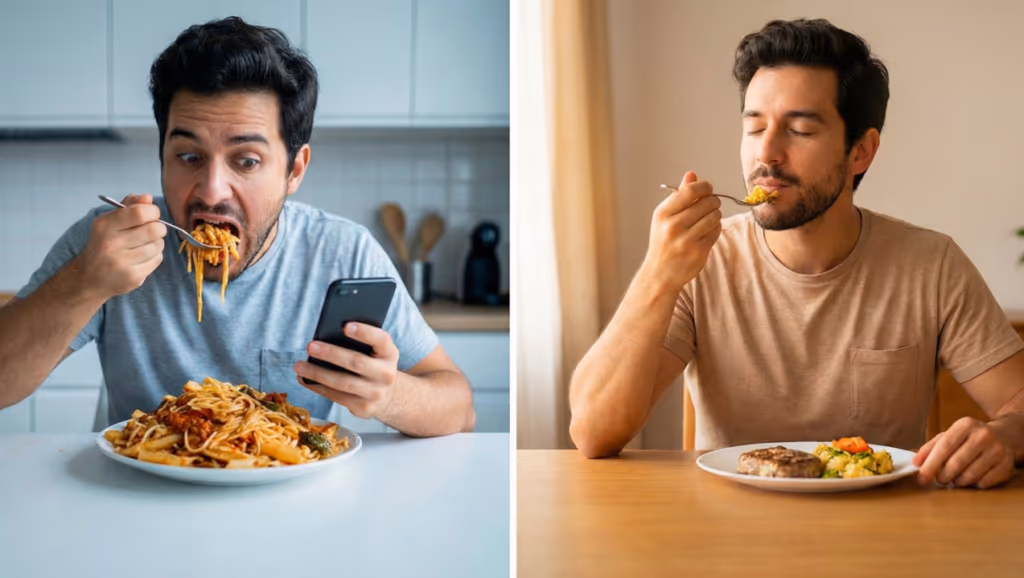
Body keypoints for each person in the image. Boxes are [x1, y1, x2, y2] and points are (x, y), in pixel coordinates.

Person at [569, 18, 1024, 488]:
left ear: (861, 152)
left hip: (882, 541)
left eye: (800, 130)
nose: (766, 153)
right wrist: (657, 275)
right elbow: (592, 433)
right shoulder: (701, 262)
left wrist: (1004, 436)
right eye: (754, 127)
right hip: (725, 541)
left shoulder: (932, 265)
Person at [0, 17, 474, 437]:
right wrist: (82, 283)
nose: (211, 190)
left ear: (294, 170)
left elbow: (460, 408)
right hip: (141, 499)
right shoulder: (105, 242)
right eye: (188, 156)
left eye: (246, 161)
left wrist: (388, 397)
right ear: (161, 154)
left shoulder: (342, 253)